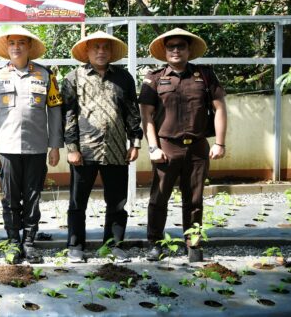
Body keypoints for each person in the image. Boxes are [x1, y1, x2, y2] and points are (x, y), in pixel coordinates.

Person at [138, 28, 227, 261]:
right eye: (171, 46)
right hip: (167, 146)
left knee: (195, 199)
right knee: (159, 198)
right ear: (165, 51)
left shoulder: (204, 75)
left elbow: (219, 109)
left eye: (181, 46)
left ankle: (193, 244)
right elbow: (146, 116)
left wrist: (219, 143)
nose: (176, 50)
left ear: (189, 50)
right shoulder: (155, 77)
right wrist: (153, 147)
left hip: (197, 147)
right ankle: (155, 243)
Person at [0, 26, 63, 264]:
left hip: (36, 148)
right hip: (6, 148)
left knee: (33, 197)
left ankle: (29, 242)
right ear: (7, 48)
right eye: (12, 43)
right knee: (10, 197)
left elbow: (55, 111)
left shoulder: (46, 75)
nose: (16, 47)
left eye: (21, 43)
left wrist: (55, 146)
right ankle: (13, 242)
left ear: (29, 47)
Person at [61, 32, 142, 263]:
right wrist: (72, 147)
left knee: (117, 203)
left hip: (116, 150)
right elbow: (68, 115)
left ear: (111, 52)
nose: (101, 51)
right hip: (84, 151)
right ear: (87, 51)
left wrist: (135, 142)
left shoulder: (124, 78)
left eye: (105, 47)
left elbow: (132, 112)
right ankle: (76, 245)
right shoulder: (73, 78)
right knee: (78, 202)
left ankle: (114, 245)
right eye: (96, 47)